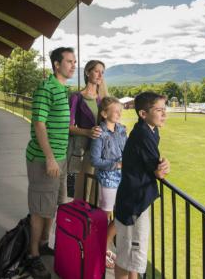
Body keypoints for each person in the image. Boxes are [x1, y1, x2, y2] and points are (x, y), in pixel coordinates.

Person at [25, 47, 76, 279]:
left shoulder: (62, 89)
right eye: (69, 61)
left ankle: (44, 243)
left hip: (60, 158)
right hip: (45, 159)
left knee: (53, 205)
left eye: (75, 61)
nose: (73, 65)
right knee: (39, 209)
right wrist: (49, 158)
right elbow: (39, 124)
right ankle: (33, 256)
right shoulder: (46, 88)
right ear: (57, 64)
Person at [114, 91, 170, 279]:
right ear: (143, 114)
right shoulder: (143, 135)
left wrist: (161, 164)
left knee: (132, 257)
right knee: (127, 257)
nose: (164, 114)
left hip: (134, 200)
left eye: (165, 109)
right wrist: (162, 167)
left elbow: (155, 164)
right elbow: (158, 171)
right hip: (134, 203)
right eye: (159, 110)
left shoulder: (150, 131)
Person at [90, 97, 127, 269]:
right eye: (116, 110)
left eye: (120, 110)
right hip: (108, 179)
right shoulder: (99, 133)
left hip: (123, 177)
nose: (119, 113)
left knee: (121, 214)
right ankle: (99, 250)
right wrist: (116, 164)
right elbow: (95, 160)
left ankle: (103, 247)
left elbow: (126, 151)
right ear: (105, 113)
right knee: (105, 216)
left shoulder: (121, 129)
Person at [69, 60, 109, 203]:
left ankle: (97, 224)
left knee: (101, 195)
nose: (100, 75)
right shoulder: (76, 97)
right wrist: (88, 132)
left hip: (105, 152)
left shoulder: (103, 98)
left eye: (102, 72)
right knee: (84, 192)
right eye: (97, 71)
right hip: (86, 151)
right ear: (87, 72)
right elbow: (69, 127)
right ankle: (81, 222)